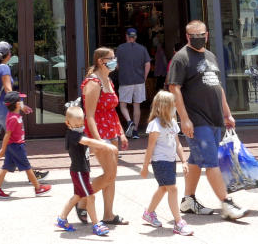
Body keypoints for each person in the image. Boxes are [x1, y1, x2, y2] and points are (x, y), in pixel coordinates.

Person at [167, 20, 247, 221]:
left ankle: (188, 200)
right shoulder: (181, 58)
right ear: (187, 37)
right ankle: (226, 203)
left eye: (201, 34)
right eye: (193, 35)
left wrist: (227, 113)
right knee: (212, 163)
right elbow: (174, 88)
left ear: (207, 35)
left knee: (196, 159)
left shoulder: (211, 56)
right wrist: (184, 119)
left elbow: (217, 86)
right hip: (196, 120)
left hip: (215, 118)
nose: (198, 38)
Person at [0, 41, 48, 186]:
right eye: (11, 52)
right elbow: (8, 90)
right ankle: (32, 176)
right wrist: (21, 105)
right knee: (17, 141)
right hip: (4, 111)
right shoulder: (4, 68)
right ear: (8, 55)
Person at [76, 47, 129, 226]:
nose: (115, 61)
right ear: (101, 60)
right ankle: (81, 200)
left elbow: (112, 111)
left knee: (111, 175)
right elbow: (89, 115)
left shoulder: (108, 80)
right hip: (99, 132)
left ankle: (108, 214)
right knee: (110, 174)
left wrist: (121, 132)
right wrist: (98, 141)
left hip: (111, 130)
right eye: (111, 58)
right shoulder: (93, 82)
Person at [55, 106, 117, 237]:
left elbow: (87, 146)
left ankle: (62, 218)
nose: (80, 126)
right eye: (76, 124)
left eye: (81, 123)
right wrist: (106, 145)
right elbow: (87, 141)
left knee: (78, 196)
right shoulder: (72, 135)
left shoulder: (79, 132)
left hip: (82, 171)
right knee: (90, 196)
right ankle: (96, 224)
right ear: (68, 123)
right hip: (78, 171)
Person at [140, 90, 193, 236]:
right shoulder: (155, 125)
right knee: (173, 189)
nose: (175, 106)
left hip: (170, 161)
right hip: (160, 161)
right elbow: (149, 148)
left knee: (163, 188)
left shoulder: (172, 123)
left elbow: (178, 144)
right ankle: (178, 222)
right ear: (164, 106)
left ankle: (149, 213)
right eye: (173, 104)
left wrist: (183, 161)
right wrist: (145, 167)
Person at [0, 91, 52, 198]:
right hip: (16, 146)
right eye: (20, 101)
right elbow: (7, 134)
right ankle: (38, 188)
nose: (22, 102)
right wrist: (3, 149)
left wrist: (23, 108)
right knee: (28, 167)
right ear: (16, 104)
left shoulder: (14, 114)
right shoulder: (13, 118)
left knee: (5, 167)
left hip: (14, 146)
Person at [114, 28, 151, 139]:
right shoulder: (142, 49)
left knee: (123, 105)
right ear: (135, 37)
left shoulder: (120, 48)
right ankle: (135, 132)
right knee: (137, 105)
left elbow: (116, 65)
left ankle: (129, 122)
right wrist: (144, 77)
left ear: (126, 36)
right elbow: (148, 64)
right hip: (139, 81)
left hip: (125, 81)